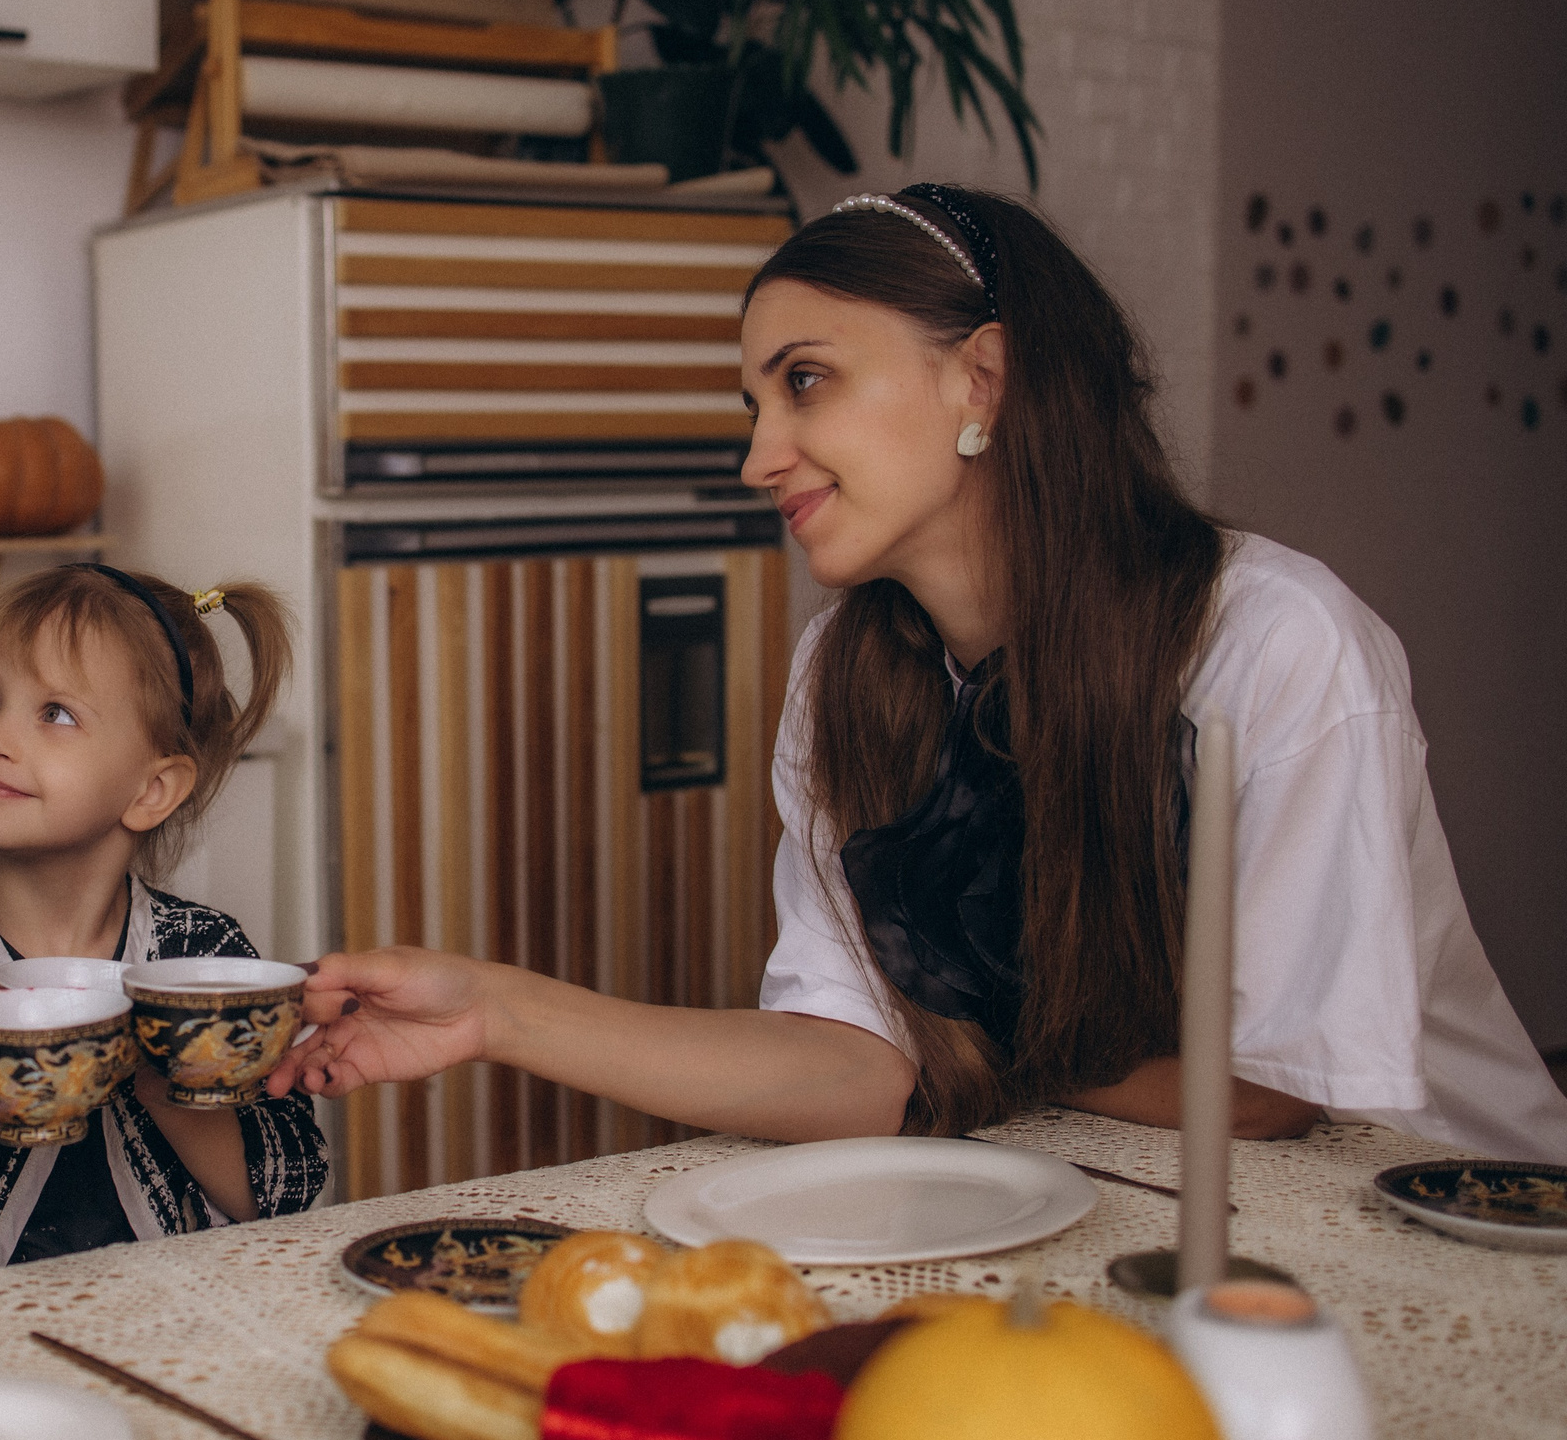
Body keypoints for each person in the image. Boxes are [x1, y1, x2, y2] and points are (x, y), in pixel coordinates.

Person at [269, 184, 1567, 1164]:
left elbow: (1276, 1091)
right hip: (1116, 1193)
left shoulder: (1276, 641)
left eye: (807, 383)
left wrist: (952, 1040)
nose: (760, 454)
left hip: (1449, 1221)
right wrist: (493, 1008)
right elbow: (849, 1063)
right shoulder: (846, 674)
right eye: (754, 404)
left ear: (981, 381)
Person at [0, 565, 329, 1284]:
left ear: (152, 788)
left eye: (55, 712)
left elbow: (286, 1191)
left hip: (172, 1321)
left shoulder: (206, 958)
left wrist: (168, 1069)